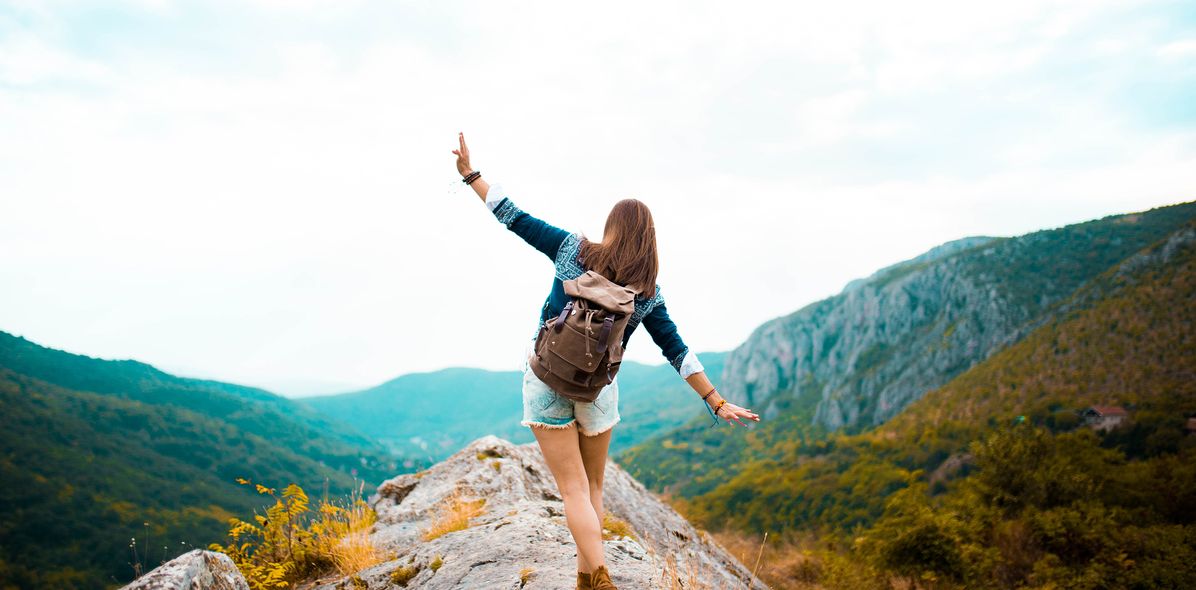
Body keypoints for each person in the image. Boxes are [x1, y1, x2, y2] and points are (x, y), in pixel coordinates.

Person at [452, 132, 760, 590]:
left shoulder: (571, 250)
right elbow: (678, 352)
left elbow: (512, 215)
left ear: (611, 226)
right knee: (592, 489)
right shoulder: (647, 294)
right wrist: (716, 402)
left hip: (545, 380)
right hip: (597, 391)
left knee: (572, 491)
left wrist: (471, 175)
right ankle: (586, 578)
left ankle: (598, 579)